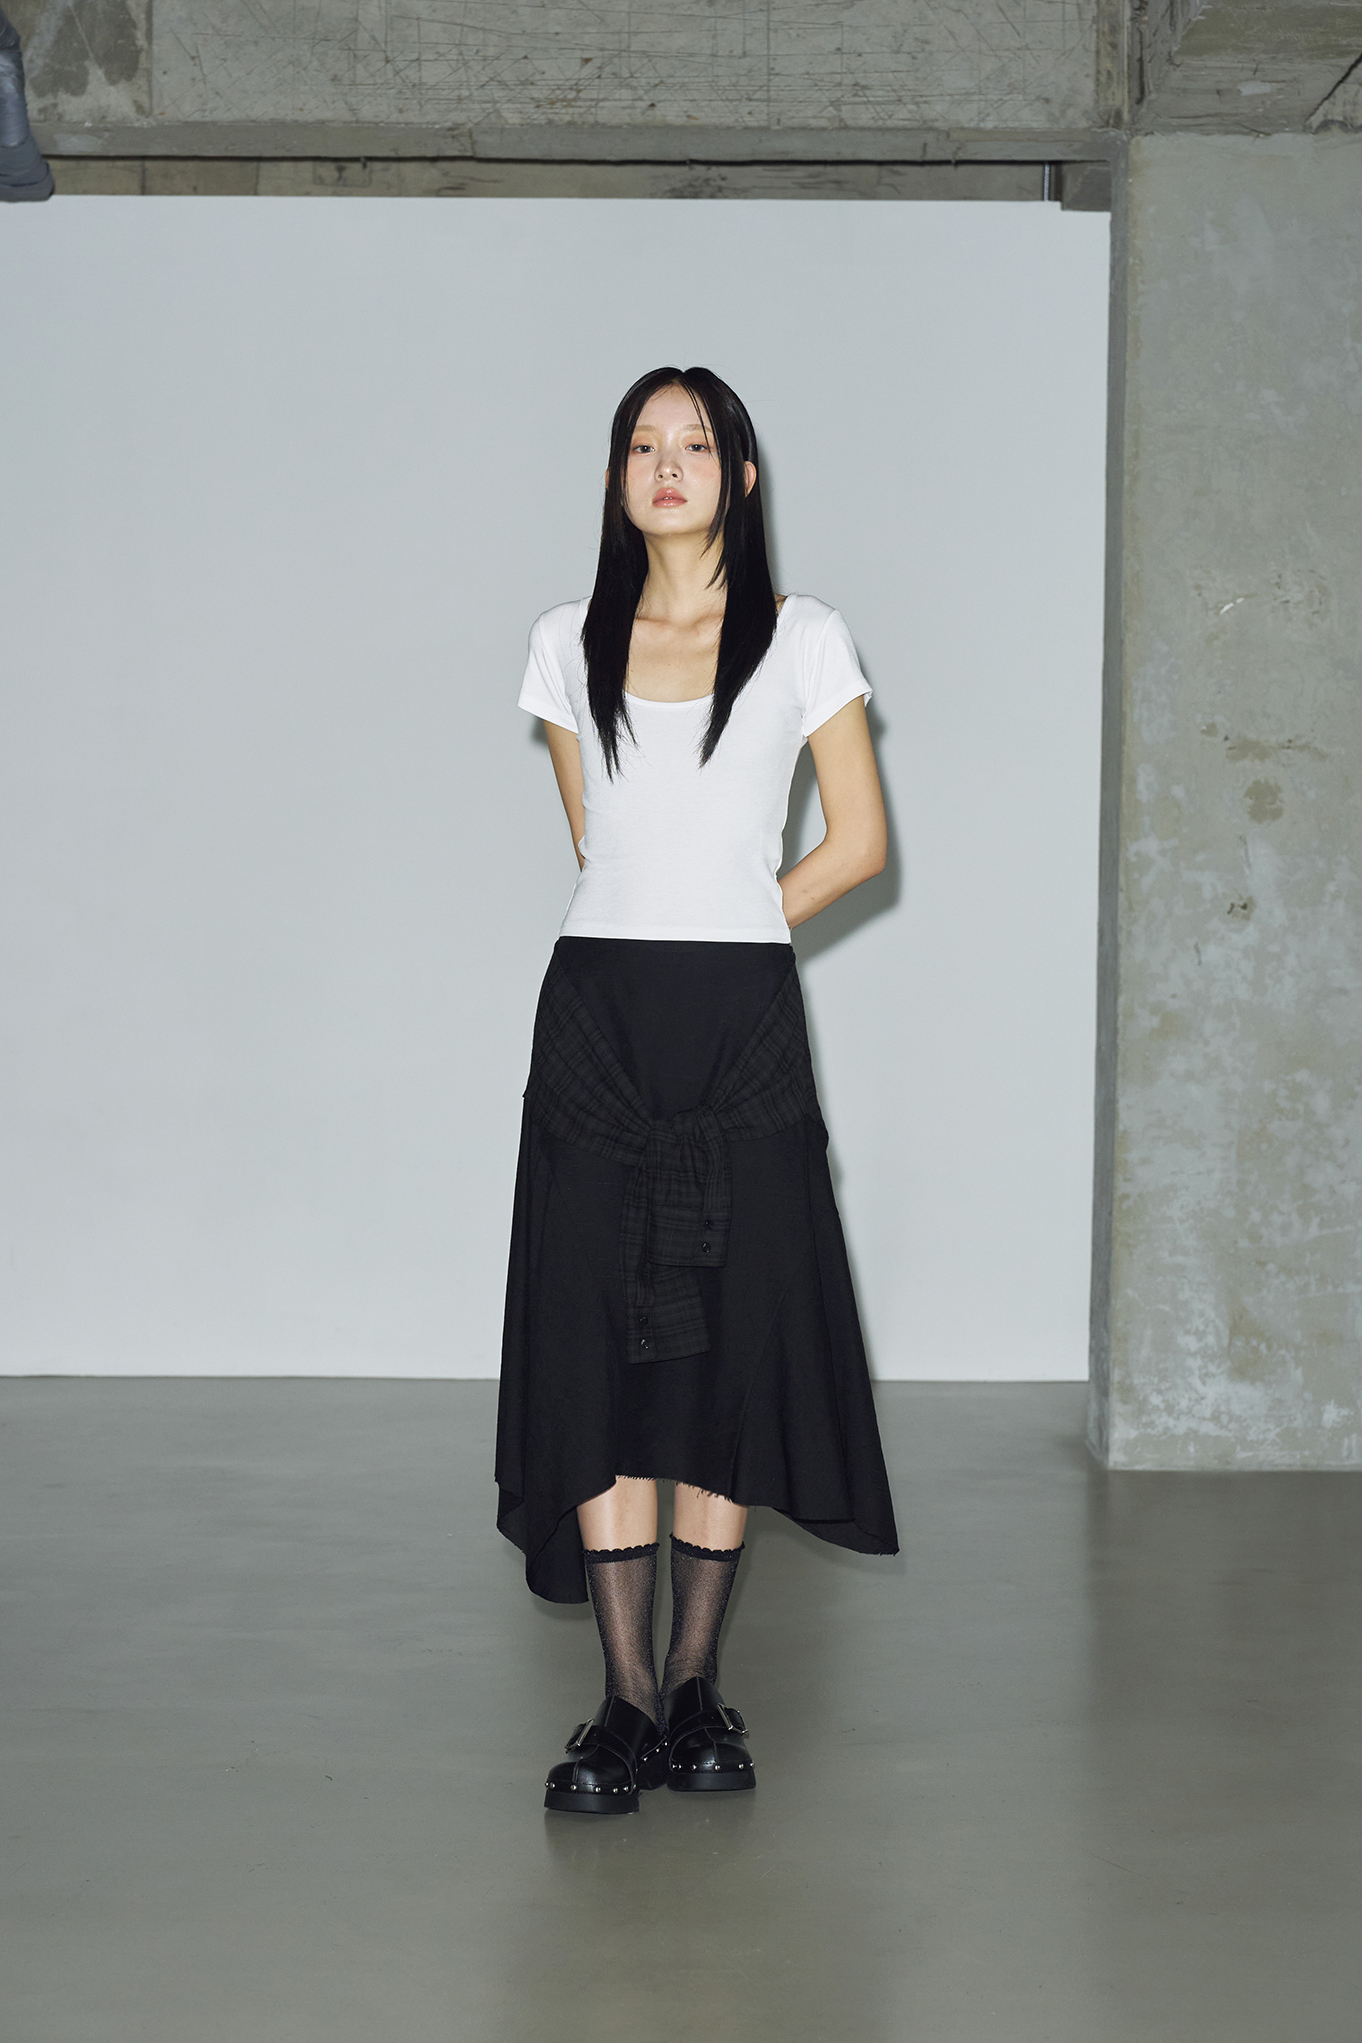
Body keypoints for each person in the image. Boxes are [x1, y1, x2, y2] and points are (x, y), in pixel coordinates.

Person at [496, 365, 899, 1817]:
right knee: (596, 1338)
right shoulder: (566, 641)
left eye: (696, 443)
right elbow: (597, 846)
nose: (666, 464)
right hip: (599, 1020)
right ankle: (618, 1704)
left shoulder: (802, 637)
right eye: (641, 444)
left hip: (740, 1023)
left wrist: (737, 920)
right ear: (619, 477)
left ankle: (693, 1691)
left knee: (731, 1339)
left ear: (741, 474)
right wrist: (683, 918)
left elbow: (858, 843)